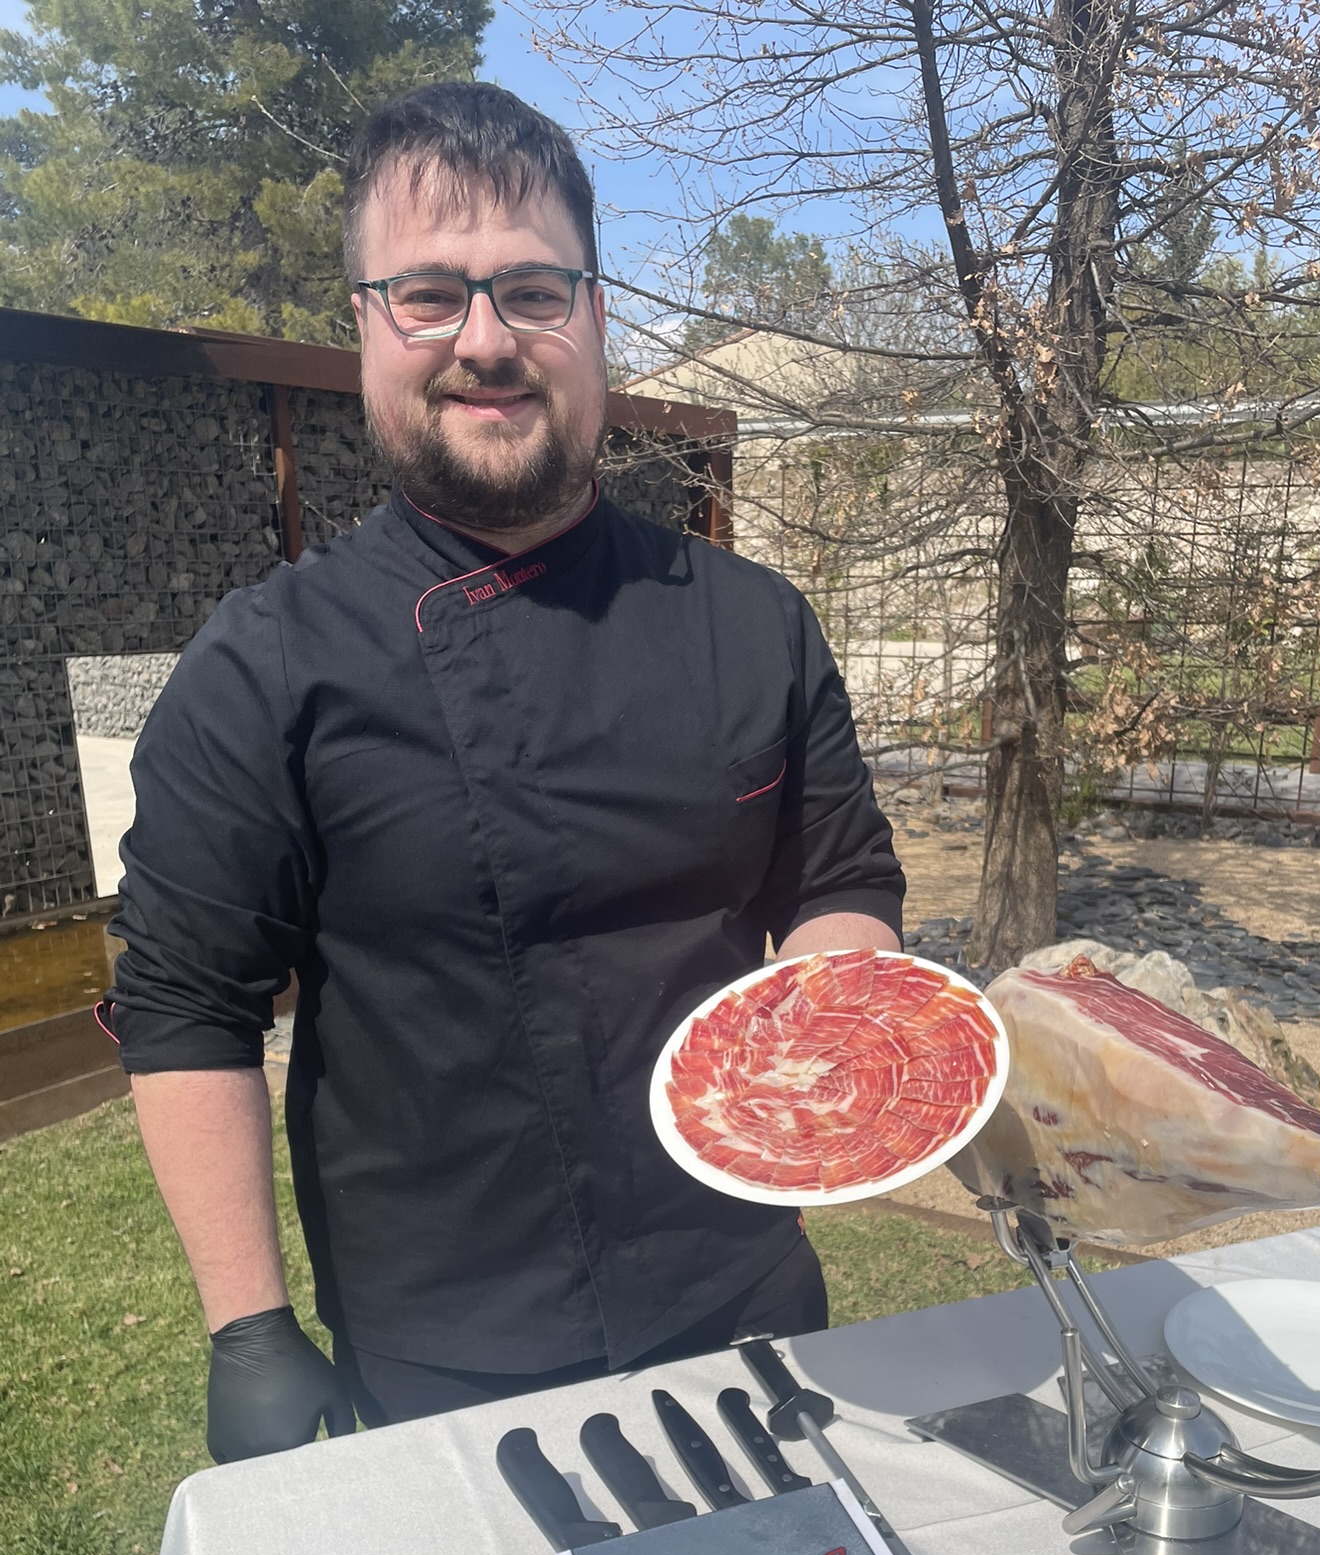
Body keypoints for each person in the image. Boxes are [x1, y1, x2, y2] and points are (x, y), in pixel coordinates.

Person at [104, 81, 905, 1460]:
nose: (488, 340)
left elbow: (841, 886)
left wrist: (830, 1050)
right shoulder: (267, 665)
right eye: (430, 294)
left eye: (533, 291)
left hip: (748, 1288)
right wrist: (248, 1329)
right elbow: (185, 1008)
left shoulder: (752, 619)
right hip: (446, 1345)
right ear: (366, 325)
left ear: (593, 318)